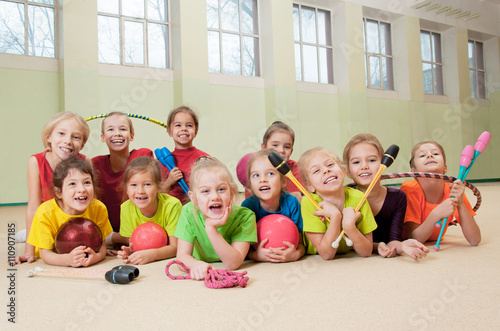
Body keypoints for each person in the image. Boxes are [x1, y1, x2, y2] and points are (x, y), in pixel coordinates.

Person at [16, 111, 90, 264]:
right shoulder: (36, 162)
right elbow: (33, 206)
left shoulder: (85, 162)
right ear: (49, 137)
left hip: (72, 223)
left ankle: (25, 234)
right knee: (42, 246)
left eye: (75, 137)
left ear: (82, 144)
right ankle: (26, 235)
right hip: (48, 222)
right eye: (61, 133)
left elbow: (90, 204)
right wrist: (29, 251)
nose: (68, 141)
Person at [343, 134, 428, 260]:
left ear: (384, 163)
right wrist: (376, 247)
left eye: (372, 160)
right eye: (356, 162)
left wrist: (403, 246)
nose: (364, 166)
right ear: (348, 170)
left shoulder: (398, 198)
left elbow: (393, 241)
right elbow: (347, 242)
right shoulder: (344, 197)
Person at [175, 157, 257, 280]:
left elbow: (233, 263)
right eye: (205, 191)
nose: (215, 197)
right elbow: (181, 256)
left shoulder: (245, 217)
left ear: (231, 193)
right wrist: (196, 265)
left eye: (221, 189)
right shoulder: (188, 212)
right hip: (199, 260)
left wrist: (211, 228)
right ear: (194, 198)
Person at [27, 158, 112, 267]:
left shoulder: (99, 208)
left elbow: (102, 248)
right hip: (54, 248)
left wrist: (97, 257)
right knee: (34, 233)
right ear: (58, 193)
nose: (81, 189)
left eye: (87, 182)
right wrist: (67, 260)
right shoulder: (45, 213)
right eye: (72, 184)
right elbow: (46, 255)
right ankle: (25, 234)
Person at [298, 147, 377, 260]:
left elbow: (366, 251)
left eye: (330, 165)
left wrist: (350, 227)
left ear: (343, 171)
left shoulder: (359, 198)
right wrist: (336, 216)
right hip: (316, 256)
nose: (326, 170)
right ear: (309, 186)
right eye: (316, 170)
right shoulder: (309, 202)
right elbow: (326, 254)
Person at [91, 112, 153, 246]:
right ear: (102, 137)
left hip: (141, 230)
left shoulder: (142, 155)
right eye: (110, 129)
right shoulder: (95, 164)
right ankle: (117, 238)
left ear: (131, 136)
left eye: (123, 129)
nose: (117, 133)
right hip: (109, 232)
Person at [401, 141, 481, 245]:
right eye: (422, 155)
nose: (430, 155)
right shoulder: (410, 189)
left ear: (445, 168)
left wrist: (460, 204)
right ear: (413, 172)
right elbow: (415, 238)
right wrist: (436, 214)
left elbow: (475, 240)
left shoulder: (454, 190)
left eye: (435, 154)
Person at [241, 150, 305, 262]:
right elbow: (242, 248)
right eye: (256, 175)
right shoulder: (248, 207)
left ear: (283, 181)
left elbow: (300, 244)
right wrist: (255, 255)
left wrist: (296, 255)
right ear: (250, 185)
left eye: (270, 173)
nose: (263, 180)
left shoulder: (292, 203)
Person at [117, 157, 181, 265]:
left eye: (147, 184)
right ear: (126, 189)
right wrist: (131, 252)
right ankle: (112, 238)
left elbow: (175, 248)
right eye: (133, 185)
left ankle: (112, 237)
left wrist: (151, 254)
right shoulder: (126, 208)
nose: (140, 191)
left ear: (159, 187)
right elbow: (134, 245)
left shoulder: (172, 205)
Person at [161, 106, 210, 204]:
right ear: (170, 131)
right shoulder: (163, 162)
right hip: (171, 213)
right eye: (178, 125)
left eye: (189, 125)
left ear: (196, 131)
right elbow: (159, 194)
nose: (184, 129)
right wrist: (169, 181)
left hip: (195, 211)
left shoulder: (204, 159)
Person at [261, 121, 303, 201]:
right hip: (263, 207)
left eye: (287, 147)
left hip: (287, 208)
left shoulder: (293, 168)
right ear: (264, 148)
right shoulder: (257, 167)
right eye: (275, 145)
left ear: (291, 151)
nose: (281, 150)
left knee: (296, 195)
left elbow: (295, 195)